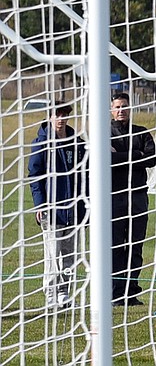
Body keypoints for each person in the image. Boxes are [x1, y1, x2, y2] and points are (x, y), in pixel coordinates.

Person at [28, 101, 85, 308]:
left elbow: (85, 174)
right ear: (50, 117)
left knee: (70, 255)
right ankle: (51, 294)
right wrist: (40, 205)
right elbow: (35, 176)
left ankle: (64, 293)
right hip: (52, 211)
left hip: (74, 210)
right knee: (52, 255)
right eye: (56, 115)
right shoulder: (41, 143)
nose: (60, 119)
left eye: (64, 115)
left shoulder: (76, 143)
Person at [110, 91, 156, 305]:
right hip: (114, 198)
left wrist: (121, 156)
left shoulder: (141, 133)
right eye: (118, 107)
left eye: (125, 106)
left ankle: (131, 292)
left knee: (135, 246)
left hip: (137, 197)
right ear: (112, 110)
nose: (121, 110)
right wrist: (136, 155)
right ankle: (115, 292)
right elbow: (105, 159)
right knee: (115, 246)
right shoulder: (104, 132)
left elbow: (151, 159)